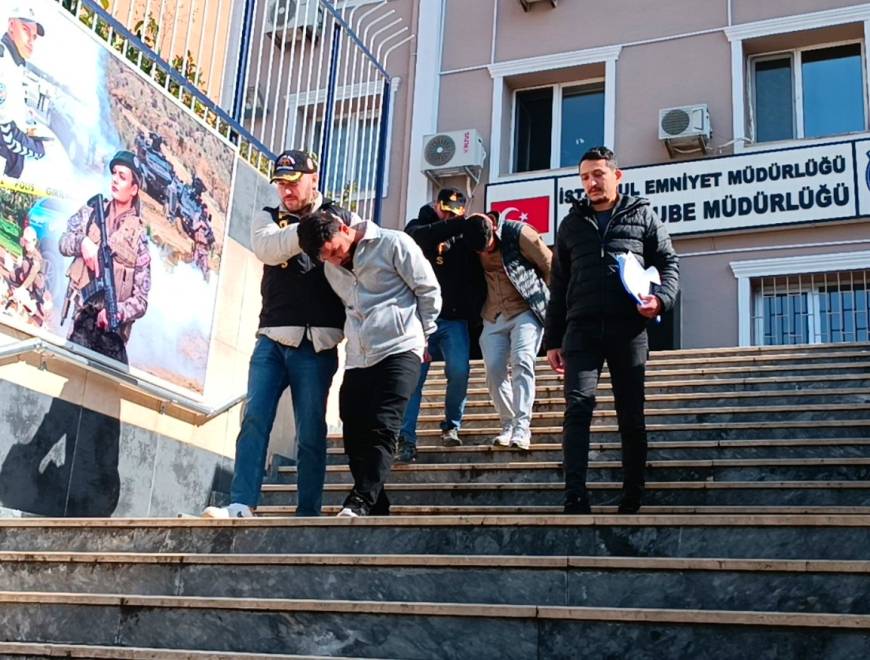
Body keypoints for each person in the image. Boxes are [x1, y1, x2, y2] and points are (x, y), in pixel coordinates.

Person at [203, 150, 359, 519]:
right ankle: (241, 502)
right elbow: (268, 249)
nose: (285, 190)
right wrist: (310, 229)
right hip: (272, 336)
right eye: (280, 183)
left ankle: (308, 512)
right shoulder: (268, 216)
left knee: (310, 433)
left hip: (316, 344)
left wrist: (325, 225)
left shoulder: (342, 214)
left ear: (313, 178)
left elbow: (352, 254)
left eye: (292, 182)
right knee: (254, 418)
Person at [544, 146, 679, 515]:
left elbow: (669, 263)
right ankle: (575, 495)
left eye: (598, 175)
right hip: (581, 330)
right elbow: (559, 286)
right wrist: (552, 340)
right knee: (578, 407)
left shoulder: (643, 216)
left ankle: (632, 495)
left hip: (629, 329)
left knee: (630, 413)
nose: (591, 183)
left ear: (617, 176)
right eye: (585, 177)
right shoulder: (571, 224)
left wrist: (661, 301)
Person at [298, 209, 440, 517]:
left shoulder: (394, 243)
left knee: (383, 425)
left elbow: (428, 289)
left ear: (345, 229)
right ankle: (377, 504)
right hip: (359, 356)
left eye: (336, 251)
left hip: (401, 347)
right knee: (353, 432)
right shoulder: (331, 269)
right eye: (326, 258)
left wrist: (425, 334)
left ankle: (360, 499)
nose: (335, 260)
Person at [397, 187, 485, 462]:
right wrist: (452, 224)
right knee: (412, 381)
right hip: (419, 320)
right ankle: (406, 439)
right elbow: (417, 238)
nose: (449, 216)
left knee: (459, 371)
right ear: (436, 206)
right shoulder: (418, 225)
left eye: (455, 213)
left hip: (454, 319)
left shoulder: (464, 234)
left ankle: (451, 425)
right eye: (445, 211)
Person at [468, 211, 551, 450]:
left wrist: (556, 310)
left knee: (522, 362)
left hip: (525, 309)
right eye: (479, 251)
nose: (485, 252)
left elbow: (550, 266)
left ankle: (522, 428)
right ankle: (508, 423)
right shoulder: (470, 240)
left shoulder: (520, 234)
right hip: (492, 314)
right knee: (493, 370)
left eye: (488, 246)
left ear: (494, 228)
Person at [59, 150, 151, 365]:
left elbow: (141, 300)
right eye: (114, 174)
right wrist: (82, 243)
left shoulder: (139, 240)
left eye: (123, 176)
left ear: (134, 189)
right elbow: (63, 242)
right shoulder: (91, 213)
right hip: (81, 322)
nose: (115, 180)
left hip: (111, 334)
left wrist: (117, 312)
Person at [0, 5, 47, 178]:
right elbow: (8, 135)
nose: (30, 40)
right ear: (11, 25)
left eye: (34, 36)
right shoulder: (4, 65)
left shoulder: (14, 64)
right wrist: (39, 150)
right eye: (26, 30)